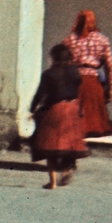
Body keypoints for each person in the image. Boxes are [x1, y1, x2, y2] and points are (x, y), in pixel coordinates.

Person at [30, 43, 89, 189]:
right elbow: (79, 89)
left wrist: (32, 109)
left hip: (54, 109)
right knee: (69, 144)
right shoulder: (75, 72)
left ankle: (53, 182)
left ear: (53, 57)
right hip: (71, 109)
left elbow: (40, 94)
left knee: (50, 145)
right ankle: (67, 170)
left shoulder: (48, 74)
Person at [65, 10, 112, 137]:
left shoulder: (69, 40)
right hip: (93, 80)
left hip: (75, 79)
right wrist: (110, 88)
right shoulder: (102, 40)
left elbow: (63, 62)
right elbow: (109, 66)